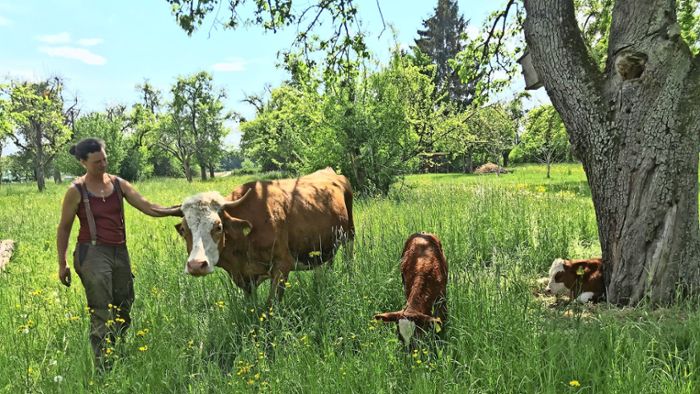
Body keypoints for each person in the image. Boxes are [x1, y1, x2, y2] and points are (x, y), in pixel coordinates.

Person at [56, 138, 171, 368]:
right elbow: (64, 227)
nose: (103, 164)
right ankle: (103, 367)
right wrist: (63, 263)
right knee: (101, 309)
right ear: (82, 162)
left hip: (120, 250)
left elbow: (148, 206)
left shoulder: (118, 184)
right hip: (92, 253)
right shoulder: (75, 191)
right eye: (97, 161)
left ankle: (118, 350)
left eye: (105, 159)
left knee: (125, 304)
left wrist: (180, 211)